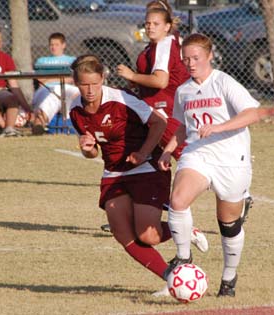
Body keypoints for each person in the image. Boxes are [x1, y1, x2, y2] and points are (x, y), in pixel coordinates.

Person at [69, 54, 208, 296]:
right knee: (123, 233)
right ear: (76, 83)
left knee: (148, 235)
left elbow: (159, 123)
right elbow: (93, 152)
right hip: (114, 172)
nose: (90, 90)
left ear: (102, 78)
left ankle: (186, 230)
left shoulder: (122, 99)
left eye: (94, 83)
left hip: (147, 168)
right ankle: (171, 278)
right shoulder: (75, 109)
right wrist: (87, 149)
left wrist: (143, 153)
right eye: (84, 84)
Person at [158, 33, 261, 297]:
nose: (190, 64)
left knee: (228, 224)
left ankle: (229, 278)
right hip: (198, 155)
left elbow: (253, 113)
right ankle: (183, 256)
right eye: (186, 59)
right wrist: (168, 151)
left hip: (231, 160)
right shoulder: (184, 91)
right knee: (178, 201)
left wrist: (219, 127)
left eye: (196, 58)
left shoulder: (224, 82)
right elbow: (184, 127)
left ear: (209, 56)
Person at [116, 2, 190, 160]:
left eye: (156, 23)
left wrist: (132, 76)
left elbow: (160, 81)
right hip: (156, 106)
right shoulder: (155, 45)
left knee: (186, 155)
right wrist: (139, 81)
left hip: (166, 108)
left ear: (166, 25)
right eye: (148, 22)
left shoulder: (164, 43)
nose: (150, 26)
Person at [31, 32, 80, 135]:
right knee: (54, 92)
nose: (53, 47)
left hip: (67, 89)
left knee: (72, 92)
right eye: (51, 44)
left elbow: (74, 78)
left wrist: (49, 79)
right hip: (46, 89)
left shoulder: (72, 60)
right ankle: (39, 125)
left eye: (56, 44)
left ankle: (39, 122)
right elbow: (40, 81)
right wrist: (61, 78)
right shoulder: (42, 61)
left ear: (63, 45)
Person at [0, 30, 32, 137]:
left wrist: (27, 108)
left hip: (0, 91)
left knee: (12, 98)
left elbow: (13, 84)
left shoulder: (5, 58)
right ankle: (5, 126)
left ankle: (9, 129)